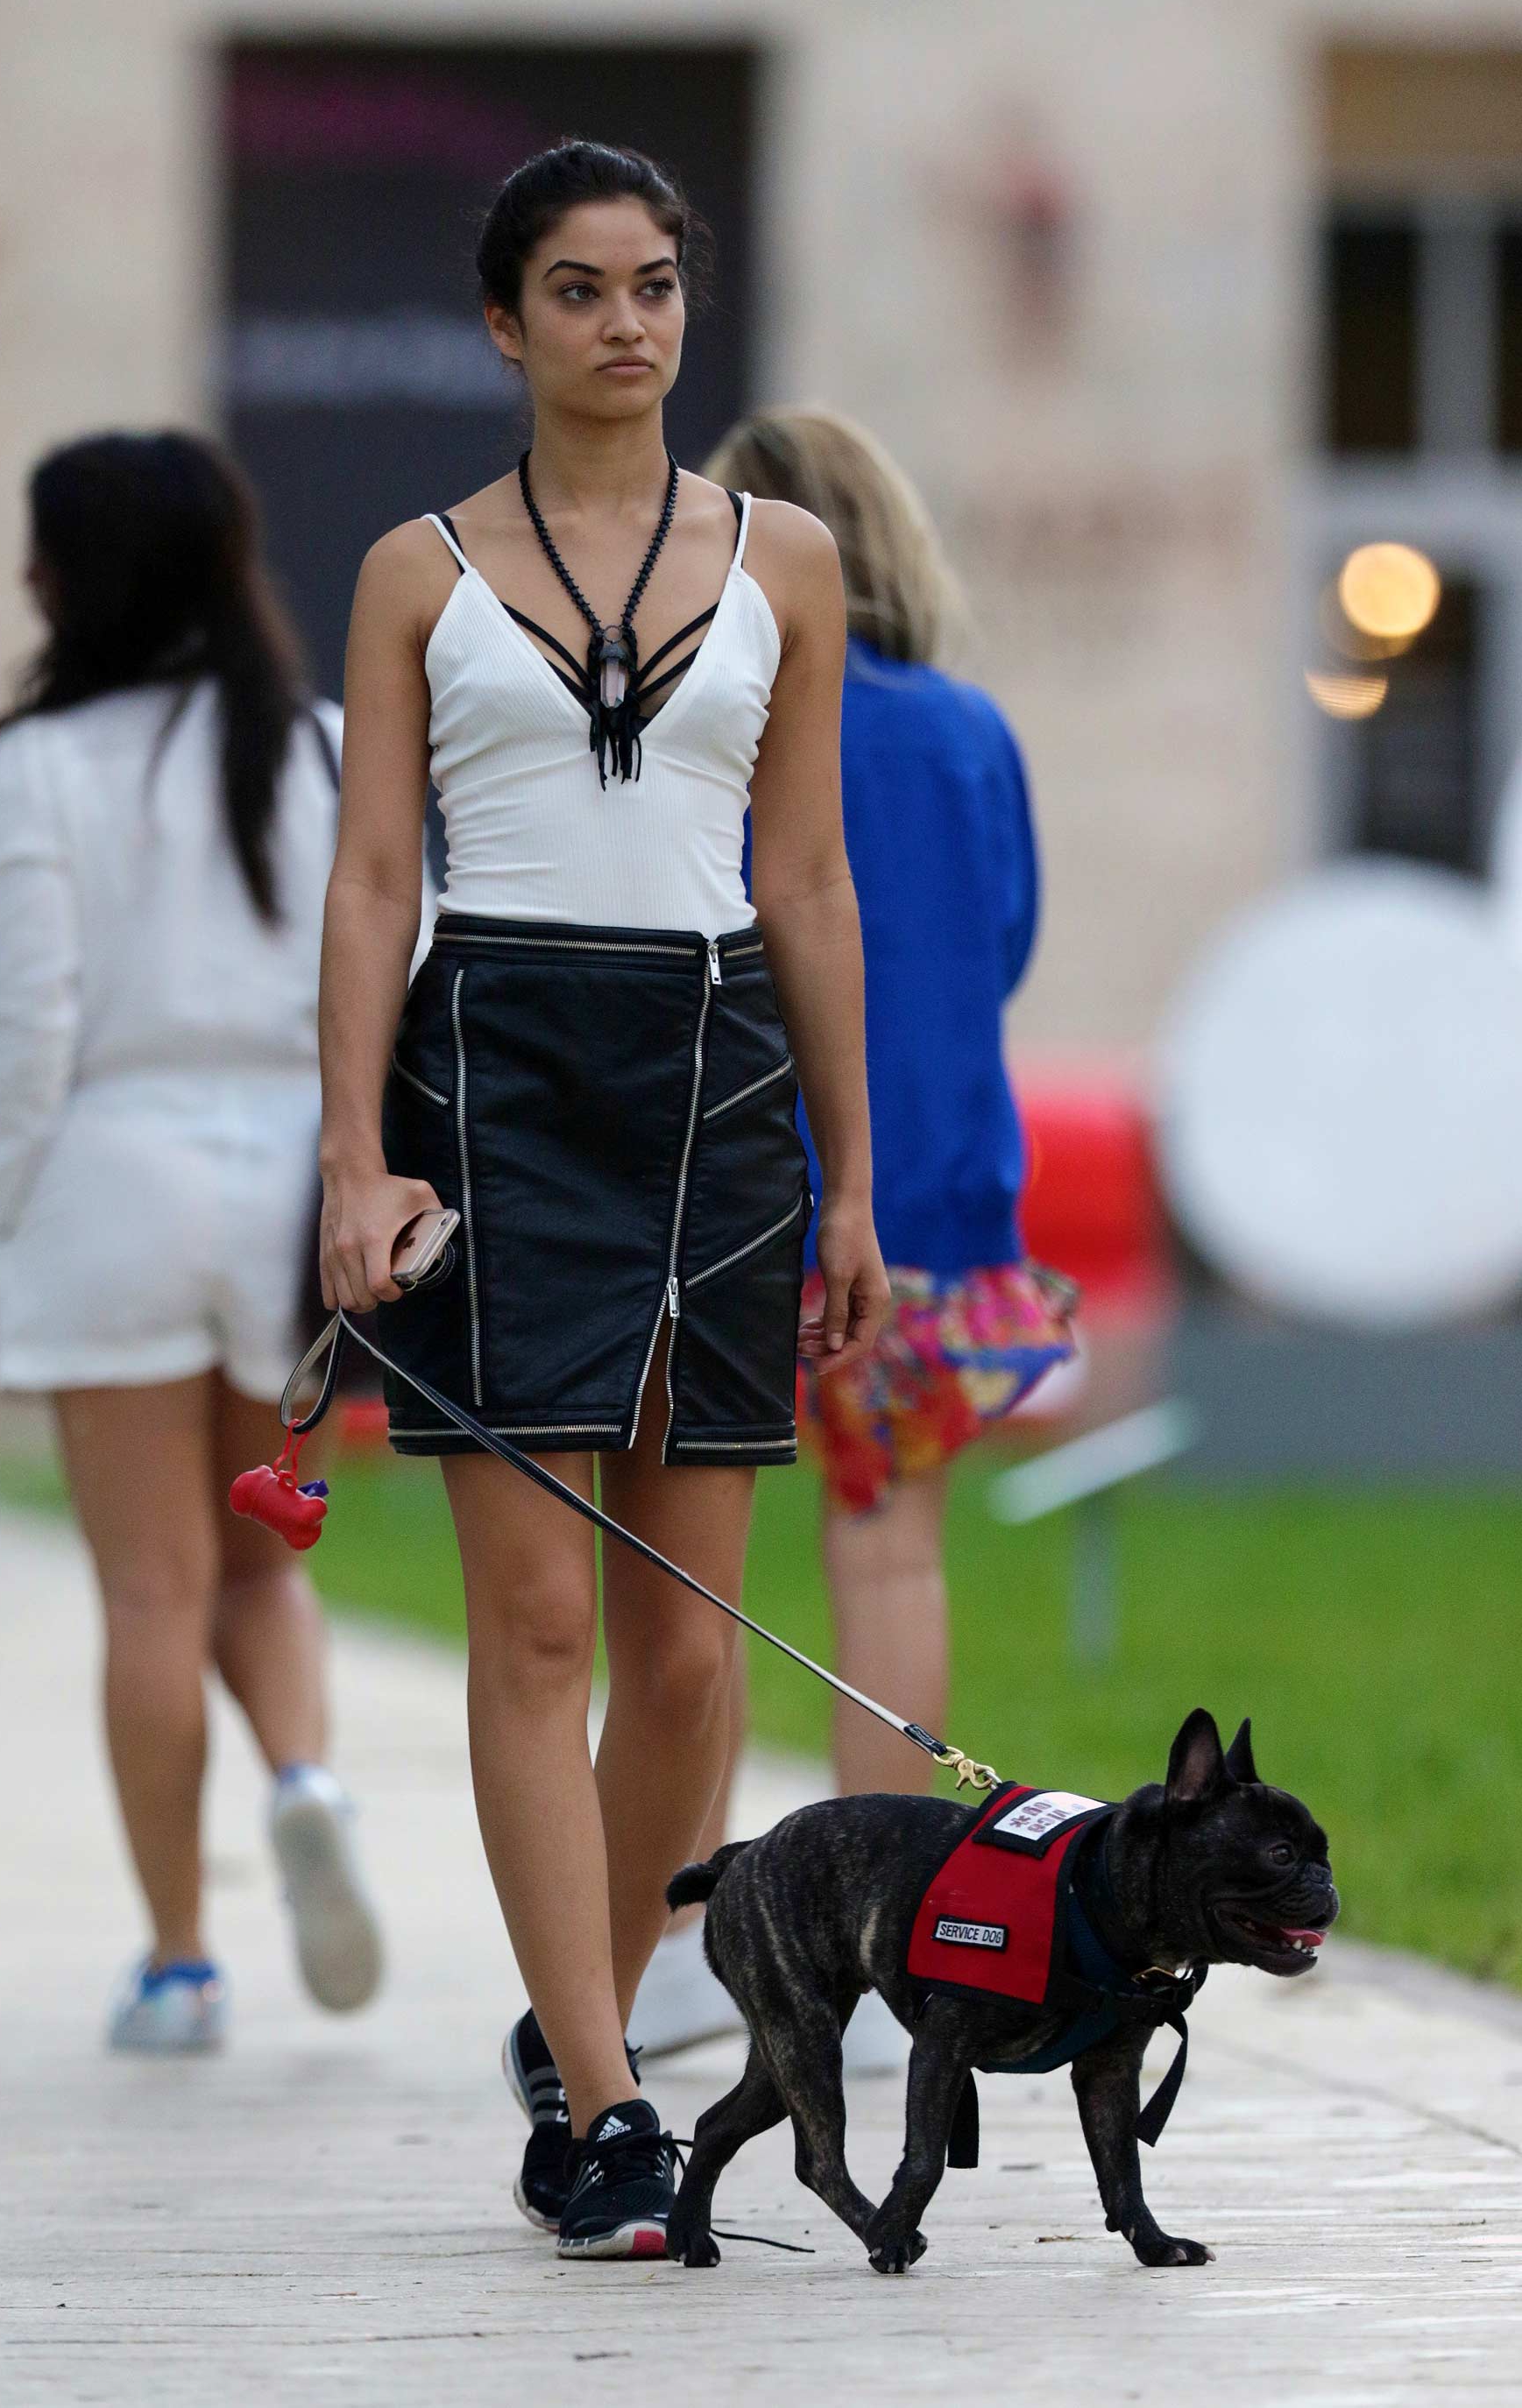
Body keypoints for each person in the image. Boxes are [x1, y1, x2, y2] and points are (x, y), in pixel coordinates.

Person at [319, 142, 888, 2260]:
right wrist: (352, 1153)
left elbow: (810, 880)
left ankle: (588, 2021)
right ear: (504, 323)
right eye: (577, 290)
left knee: (680, 1659)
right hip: (488, 1073)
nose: (625, 324)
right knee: (536, 1624)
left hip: (722, 1086)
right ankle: (605, 2103)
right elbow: (377, 879)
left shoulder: (791, 561)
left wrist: (851, 1185)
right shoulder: (413, 572)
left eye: (654, 286)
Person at [628, 407, 1073, 2069]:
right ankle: (893, 1946)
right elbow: (1009, 936)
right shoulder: (969, 729)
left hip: (747, 1192)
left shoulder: (728, 720)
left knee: (708, 1584)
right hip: (950, 1200)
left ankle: (683, 1938)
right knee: (893, 1556)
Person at [0, 431, 384, 2054]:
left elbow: (28, 1025)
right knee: (256, 1567)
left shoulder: (41, 762)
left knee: (149, 1590)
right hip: (295, 1183)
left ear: (74, 575)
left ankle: (180, 1960)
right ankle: (307, 1779)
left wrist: (6, 1202)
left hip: (113, 1174)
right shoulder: (331, 749)